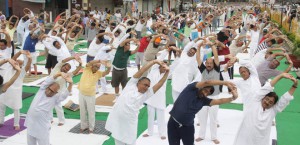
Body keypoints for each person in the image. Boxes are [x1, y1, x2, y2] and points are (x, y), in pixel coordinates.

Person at [105, 59, 170, 145]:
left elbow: (159, 84)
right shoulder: (131, 85)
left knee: (130, 141)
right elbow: (142, 70)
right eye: (145, 85)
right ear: (138, 82)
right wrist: (153, 62)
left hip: (130, 122)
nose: (146, 87)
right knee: (118, 139)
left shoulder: (146, 94)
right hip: (118, 119)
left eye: (148, 86)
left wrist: (167, 72)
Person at [233, 73, 298, 145]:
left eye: (270, 102)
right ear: (263, 97)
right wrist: (281, 76)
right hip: (244, 141)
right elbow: (268, 86)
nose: (267, 102)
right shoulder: (255, 101)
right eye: (267, 99)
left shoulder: (273, 110)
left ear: (273, 105)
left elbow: (285, 99)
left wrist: (295, 85)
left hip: (260, 142)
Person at [168, 80, 238, 145]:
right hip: (173, 123)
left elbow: (219, 101)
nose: (206, 92)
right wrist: (224, 83)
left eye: (208, 93)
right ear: (201, 87)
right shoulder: (190, 88)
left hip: (187, 128)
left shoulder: (204, 101)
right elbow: (207, 82)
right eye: (205, 90)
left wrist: (233, 98)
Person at [25, 72, 73, 145]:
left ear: (56, 93)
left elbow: (65, 94)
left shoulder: (56, 98)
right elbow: (50, 79)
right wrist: (59, 73)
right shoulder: (41, 90)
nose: (50, 92)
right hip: (31, 123)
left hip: (42, 127)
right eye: (50, 89)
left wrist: (70, 84)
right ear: (47, 87)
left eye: (53, 91)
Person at [0, 51, 31, 130]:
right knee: (1, 107)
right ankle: (0, 121)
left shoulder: (21, 72)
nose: (16, 63)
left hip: (15, 93)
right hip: (5, 91)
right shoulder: (9, 67)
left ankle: (16, 124)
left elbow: (27, 66)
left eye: (18, 63)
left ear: (20, 65)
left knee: (16, 108)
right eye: (15, 62)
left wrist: (30, 59)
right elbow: (13, 58)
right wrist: (20, 52)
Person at [78, 59, 111, 133]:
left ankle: (91, 128)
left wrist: (108, 67)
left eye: (98, 67)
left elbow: (106, 73)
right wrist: (99, 60)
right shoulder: (87, 69)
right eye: (96, 66)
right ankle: (83, 126)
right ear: (92, 66)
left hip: (90, 95)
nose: (97, 68)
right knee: (82, 111)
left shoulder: (98, 73)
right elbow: (89, 63)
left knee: (91, 111)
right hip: (81, 93)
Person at [50, 56, 82, 126]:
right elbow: (64, 60)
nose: (65, 69)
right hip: (49, 89)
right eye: (65, 67)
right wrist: (73, 57)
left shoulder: (67, 75)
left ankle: (61, 121)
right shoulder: (57, 68)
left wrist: (80, 64)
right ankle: (50, 119)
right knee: (48, 105)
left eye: (67, 69)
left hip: (58, 92)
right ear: (62, 66)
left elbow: (76, 71)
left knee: (58, 106)